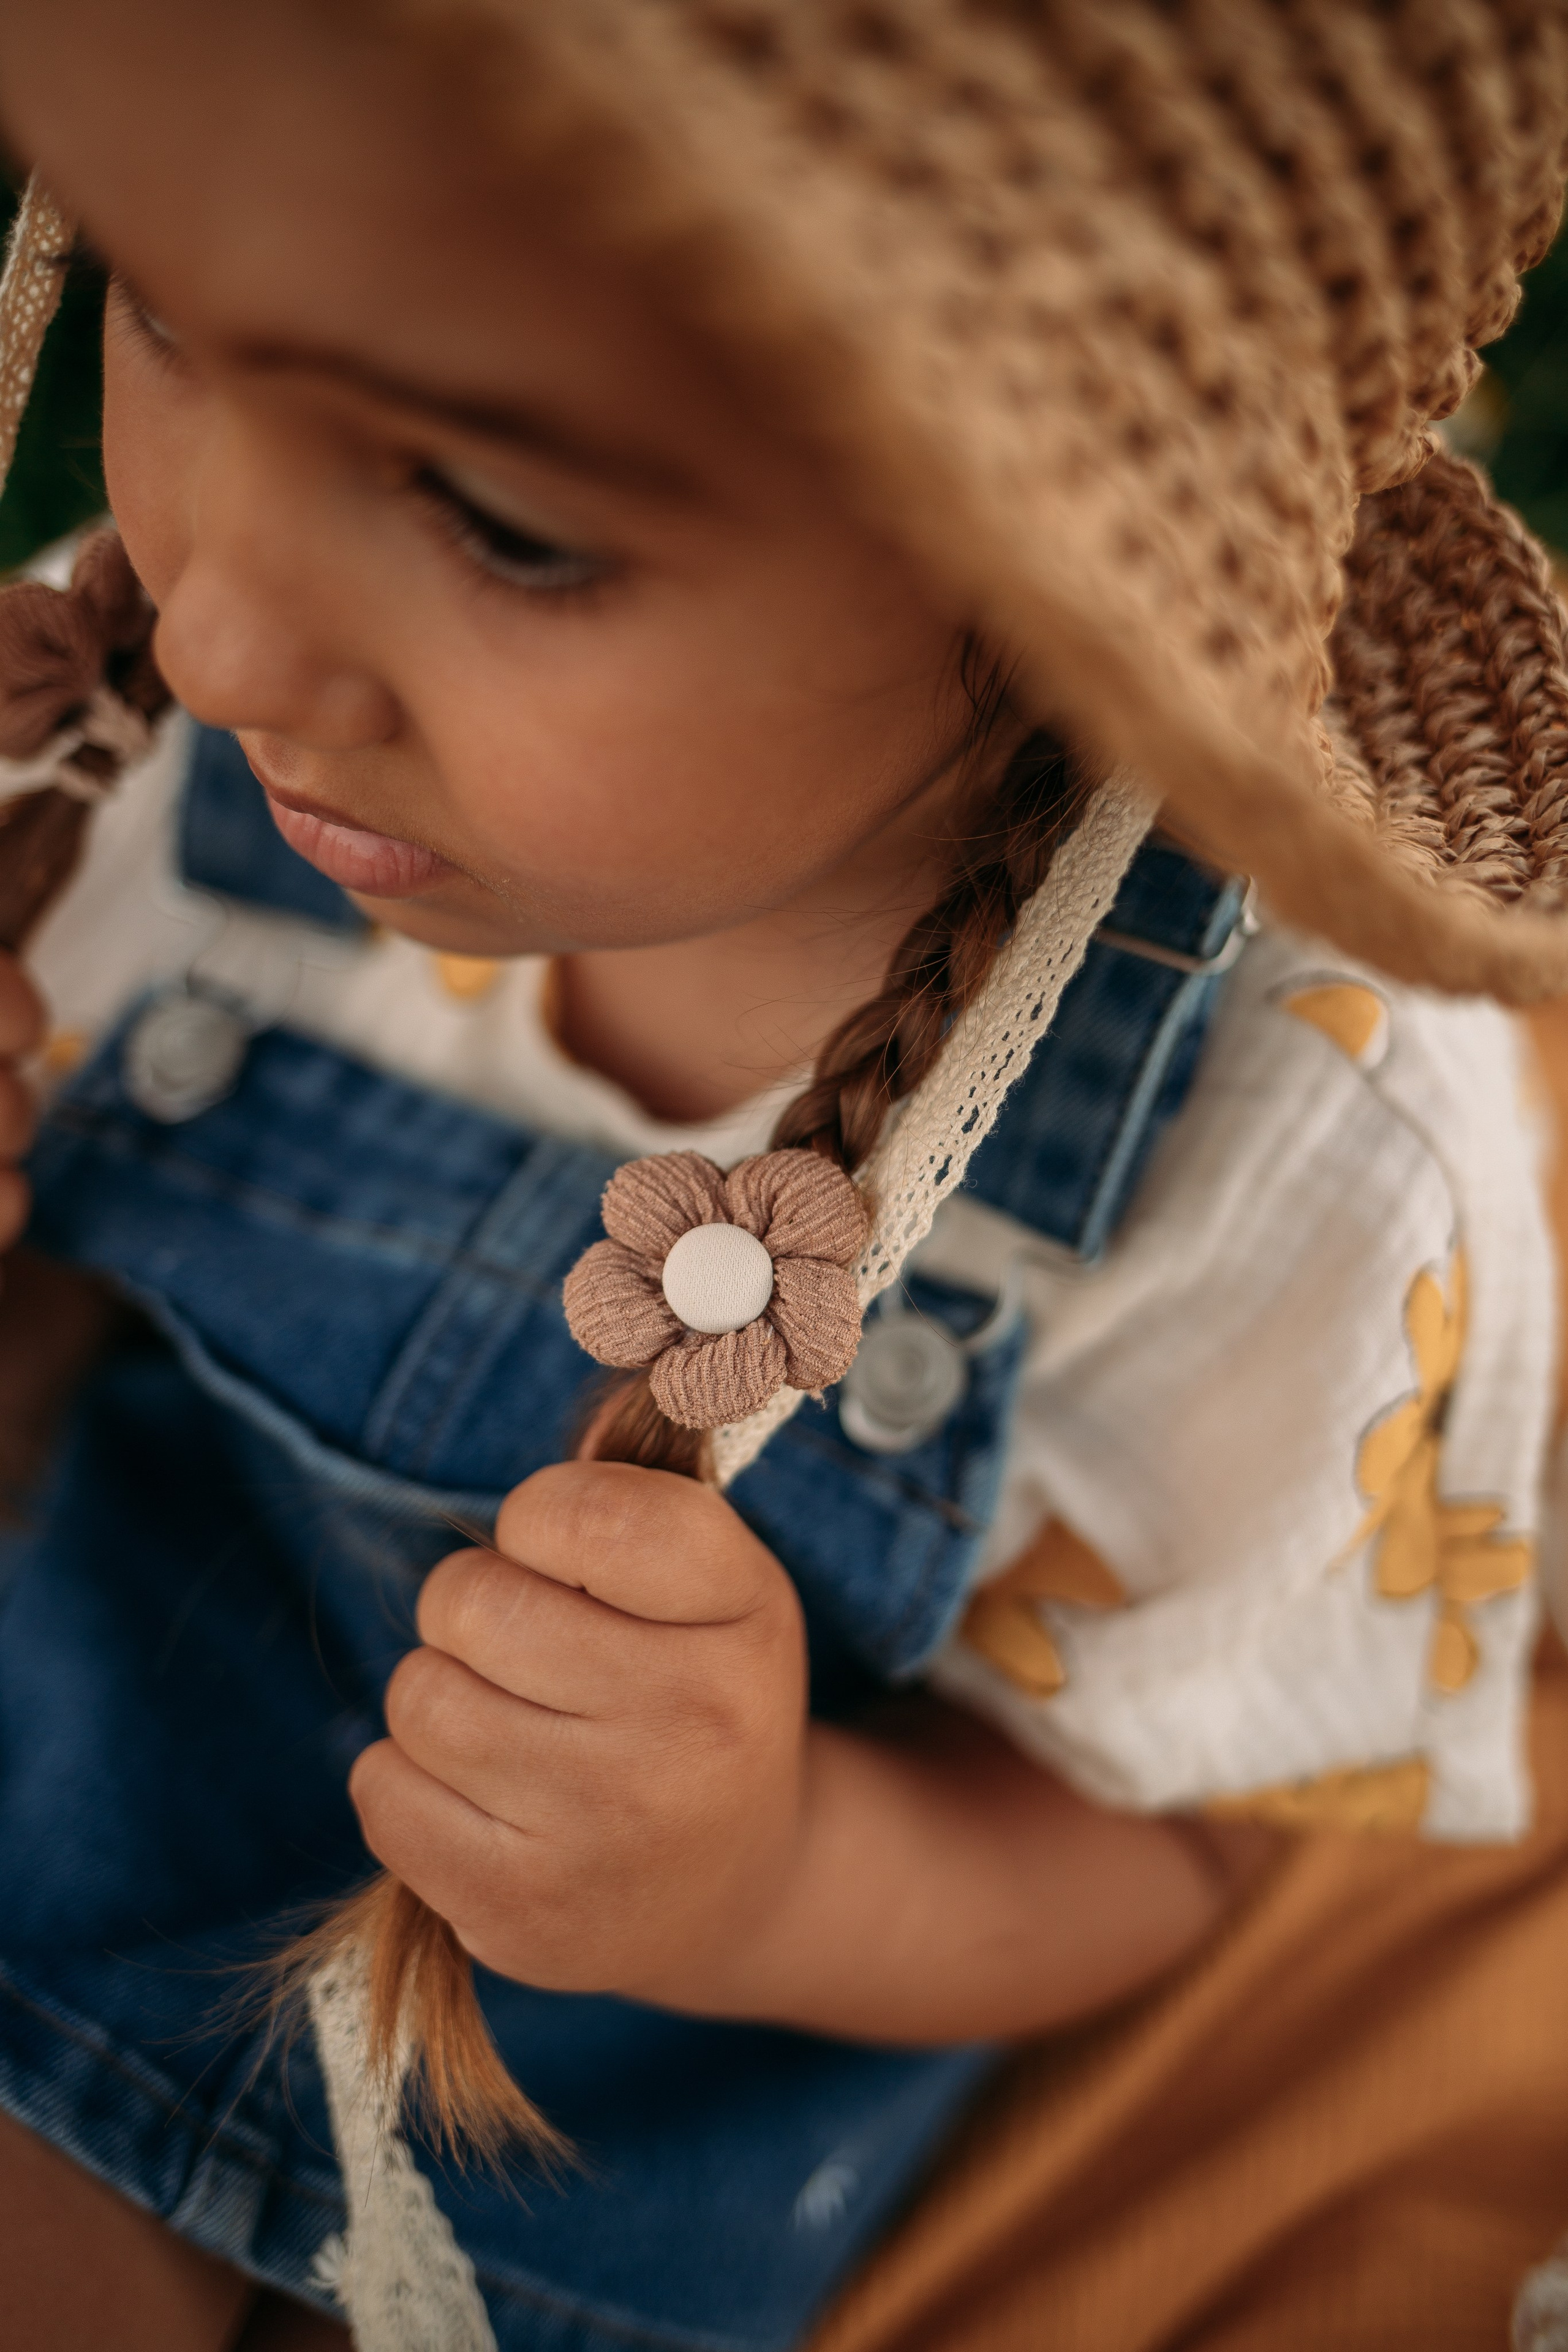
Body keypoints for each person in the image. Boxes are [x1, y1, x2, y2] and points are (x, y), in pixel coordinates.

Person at [0, 4, 1567, 2348]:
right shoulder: (114, 730)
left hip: (580, 2101)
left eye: (506, 520)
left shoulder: (1302, 1164)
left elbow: (1158, 1845)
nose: (217, 619)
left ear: (1070, 577)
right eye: (154, 301)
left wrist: (766, 1881)